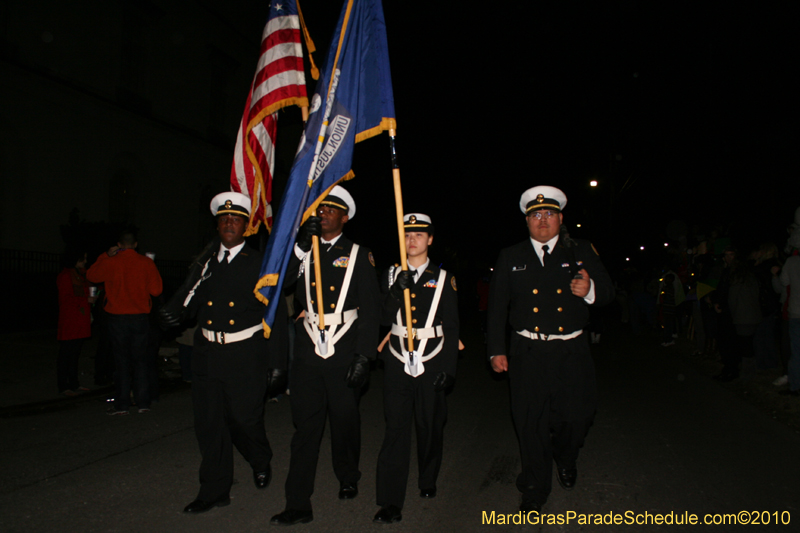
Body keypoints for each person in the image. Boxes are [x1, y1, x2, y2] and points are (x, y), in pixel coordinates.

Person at [159, 191, 288, 514]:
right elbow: (189, 302)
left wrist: (277, 363)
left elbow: (276, 316)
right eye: (224, 219)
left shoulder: (261, 263)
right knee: (210, 424)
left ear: (246, 226)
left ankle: (259, 457)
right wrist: (172, 313)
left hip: (246, 354)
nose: (230, 223)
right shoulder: (204, 262)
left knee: (243, 420)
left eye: (236, 219)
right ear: (217, 225)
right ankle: (214, 490)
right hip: (207, 354)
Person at [487, 186, 613, 513]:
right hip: (527, 351)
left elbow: (609, 293)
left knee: (577, 417)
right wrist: (495, 349)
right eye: (535, 215)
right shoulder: (511, 256)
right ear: (526, 221)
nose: (542, 220)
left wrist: (590, 290)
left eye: (549, 214)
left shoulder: (581, 250)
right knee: (530, 423)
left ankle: (566, 456)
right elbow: (497, 307)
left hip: (572, 351)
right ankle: (534, 488)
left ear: (560, 218)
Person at [271, 185, 380, 526]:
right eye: (321, 209)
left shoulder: (359, 254)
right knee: (306, 427)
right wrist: (301, 246)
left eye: (332, 210)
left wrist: (364, 356)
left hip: (345, 345)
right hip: (307, 349)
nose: (324, 213)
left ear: (344, 217)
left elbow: (373, 310)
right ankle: (298, 502)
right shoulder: (304, 251)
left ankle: (347, 474)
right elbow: (279, 282)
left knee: (345, 419)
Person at [373, 214, 459, 524]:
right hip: (397, 359)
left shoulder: (443, 276)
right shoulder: (392, 273)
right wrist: (396, 291)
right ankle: (390, 501)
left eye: (419, 234)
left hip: (432, 357)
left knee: (429, 425)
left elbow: (451, 324)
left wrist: (449, 368)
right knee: (395, 430)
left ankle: (427, 478)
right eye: (407, 234)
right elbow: (381, 316)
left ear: (430, 239)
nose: (412, 240)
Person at [87, 230, 162, 415]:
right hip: (139, 317)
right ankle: (143, 402)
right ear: (136, 244)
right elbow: (157, 290)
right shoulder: (146, 263)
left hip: (117, 317)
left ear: (119, 245)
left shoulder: (110, 262)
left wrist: (105, 255)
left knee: (121, 361)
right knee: (140, 361)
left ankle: (122, 404)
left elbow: (91, 276)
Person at [56, 250, 95, 396]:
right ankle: (63, 385)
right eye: (83, 258)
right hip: (70, 320)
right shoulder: (66, 276)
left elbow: (91, 285)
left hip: (80, 320)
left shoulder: (80, 275)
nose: (85, 261)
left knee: (74, 354)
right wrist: (86, 300)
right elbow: (66, 299)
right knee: (66, 354)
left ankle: (73, 384)